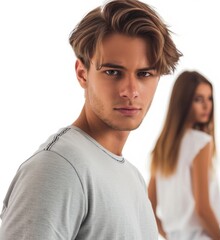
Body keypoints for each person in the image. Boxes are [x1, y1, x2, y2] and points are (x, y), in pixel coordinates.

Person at [0, 0, 181, 239]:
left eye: (144, 74)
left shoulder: (132, 177)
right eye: (113, 72)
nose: (130, 90)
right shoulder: (58, 167)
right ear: (82, 74)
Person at [148, 70, 220, 240]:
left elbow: (148, 207)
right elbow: (202, 208)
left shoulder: (162, 147)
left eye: (209, 98)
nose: (207, 105)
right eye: (198, 99)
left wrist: (170, 235)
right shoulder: (201, 142)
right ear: (183, 102)